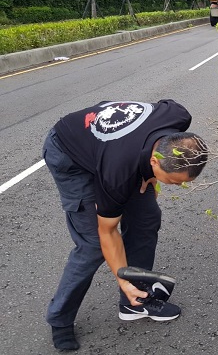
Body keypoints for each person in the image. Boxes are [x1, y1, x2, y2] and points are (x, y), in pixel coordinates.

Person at [42, 99, 208, 351]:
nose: (178, 186)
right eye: (173, 181)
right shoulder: (118, 174)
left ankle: (135, 301)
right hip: (69, 152)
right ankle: (60, 319)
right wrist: (122, 280)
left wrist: (150, 178)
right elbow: (107, 230)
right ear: (154, 160)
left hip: (113, 149)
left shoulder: (178, 116)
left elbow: (152, 124)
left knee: (147, 217)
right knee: (93, 246)